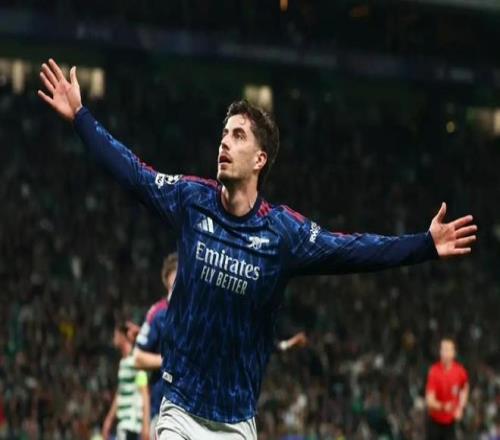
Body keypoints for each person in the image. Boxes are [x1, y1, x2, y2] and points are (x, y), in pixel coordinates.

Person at [38, 59, 477, 440]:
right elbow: (134, 174)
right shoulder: (191, 200)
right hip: (179, 409)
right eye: (224, 134)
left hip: (236, 422)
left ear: (260, 159)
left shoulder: (283, 233)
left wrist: (424, 244)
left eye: (238, 135)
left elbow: (353, 250)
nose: (224, 142)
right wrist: (81, 117)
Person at [134, 253, 178, 439]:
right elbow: (138, 358)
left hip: (192, 411)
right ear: (167, 280)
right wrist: (169, 361)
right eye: (176, 277)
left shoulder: (197, 313)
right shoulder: (158, 314)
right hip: (162, 411)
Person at [102, 324, 150, 440]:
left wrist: (146, 425)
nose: (114, 338)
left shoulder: (135, 361)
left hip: (132, 423)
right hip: (124, 422)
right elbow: (120, 393)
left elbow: (144, 393)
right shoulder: (123, 362)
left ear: (123, 336)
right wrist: (109, 419)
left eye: (116, 335)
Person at [426, 338, 469, 440]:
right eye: (442, 349)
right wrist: (444, 407)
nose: (444, 353)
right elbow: (429, 401)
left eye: (447, 350)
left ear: (453, 353)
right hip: (435, 421)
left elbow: (465, 388)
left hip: (451, 423)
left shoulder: (460, 371)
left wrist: (461, 407)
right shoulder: (434, 372)